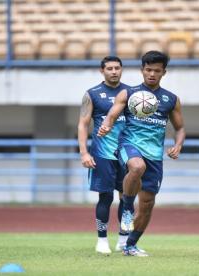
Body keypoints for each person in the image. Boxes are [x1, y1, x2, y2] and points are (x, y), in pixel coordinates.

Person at [98, 50, 186, 257]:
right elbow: (111, 114)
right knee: (137, 167)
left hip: (155, 154)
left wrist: (178, 145)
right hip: (129, 146)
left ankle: (130, 245)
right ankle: (127, 207)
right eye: (148, 70)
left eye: (157, 71)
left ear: (164, 72)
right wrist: (107, 125)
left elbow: (180, 127)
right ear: (142, 70)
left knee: (147, 205)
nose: (152, 74)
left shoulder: (170, 99)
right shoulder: (128, 94)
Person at [77, 56, 131, 254]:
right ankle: (102, 240)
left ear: (122, 70)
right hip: (102, 154)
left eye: (117, 68)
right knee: (105, 197)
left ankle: (124, 240)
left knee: (127, 198)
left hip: (127, 154)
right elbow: (83, 124)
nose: (114, 71)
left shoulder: (131, 93)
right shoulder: (92, 94)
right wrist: (84, 153)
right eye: (110, 68)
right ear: (102, 71)